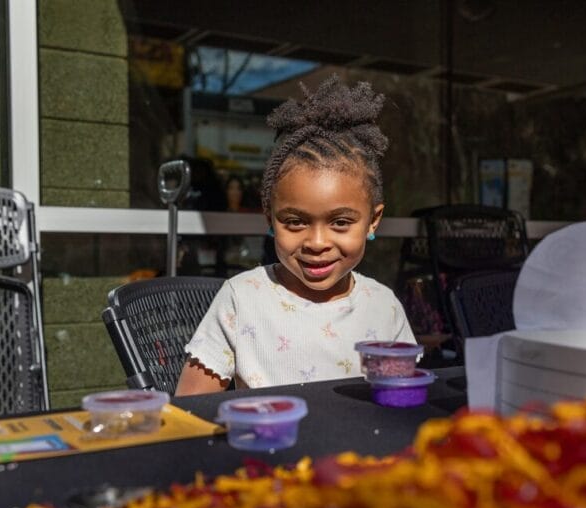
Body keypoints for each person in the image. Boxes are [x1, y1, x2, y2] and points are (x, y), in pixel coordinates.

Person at [176, 75, 417, 395]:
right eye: (295, 222)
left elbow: (400, 400)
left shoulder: (384, 307)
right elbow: (192, 408)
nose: (317, 243)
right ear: (270, 219)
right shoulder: (241, 299)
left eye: (341, 222)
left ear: (373, 221)